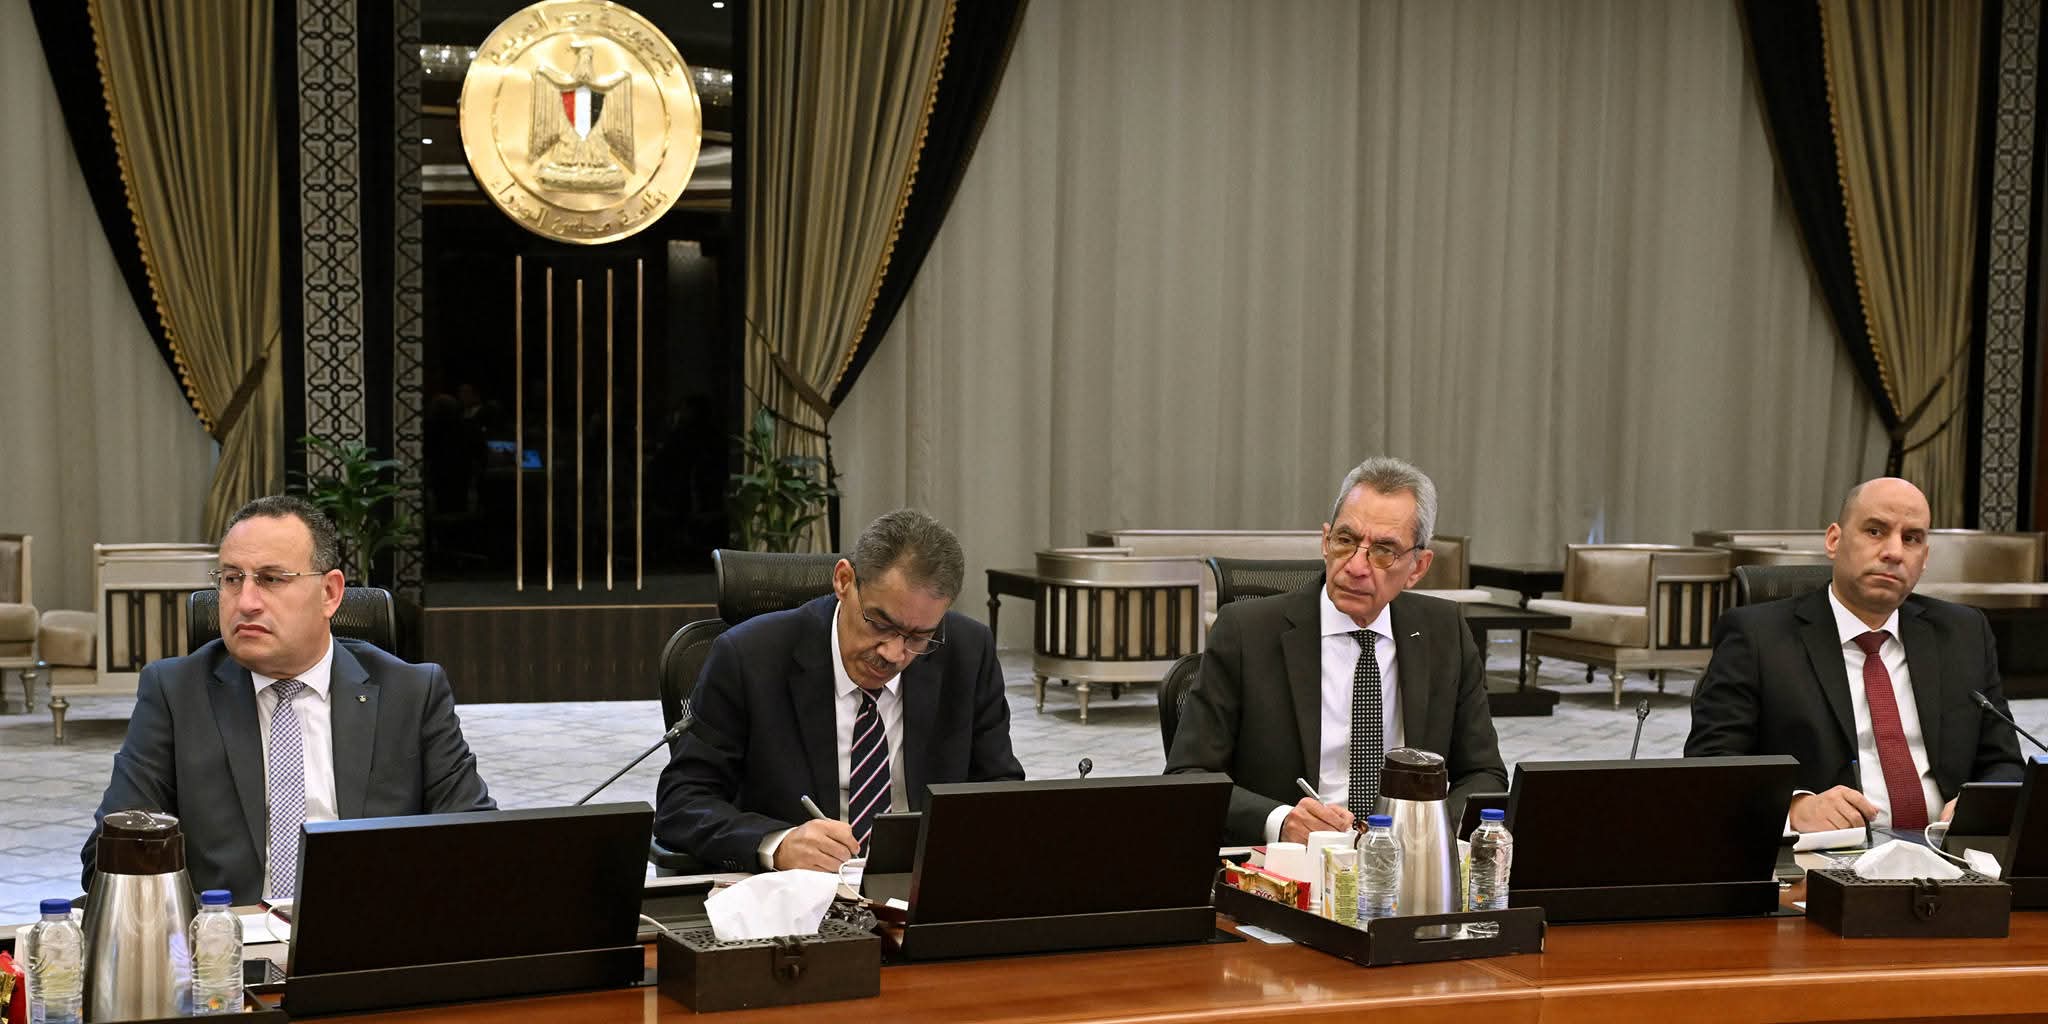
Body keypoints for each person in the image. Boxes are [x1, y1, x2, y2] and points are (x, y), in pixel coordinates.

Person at [81, 496, 495, 902]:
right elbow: (107, 860)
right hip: (226, 935)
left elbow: (479, 843)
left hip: (368, 928)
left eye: (271, 579)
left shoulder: (411, 694)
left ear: (329, 593)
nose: (246, 602)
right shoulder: (175, 694)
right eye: (232, 578)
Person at [655, 509, 1023, 872]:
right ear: (844, 581)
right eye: (880, 623)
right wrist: (777, 844)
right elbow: (682, 802)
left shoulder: (968, 652)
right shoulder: (748, 657)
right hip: (797, 889)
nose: (894, 653)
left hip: (919, 883)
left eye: (918, 637)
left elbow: (1000, 791)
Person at [1167, 457, 1507, 845]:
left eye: (1383, 551)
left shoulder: (1444, 631)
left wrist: (1427, 832)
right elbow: (1187, 777)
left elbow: (1485, 774)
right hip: (1293, 861)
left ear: (1417, 567)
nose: (1356, 567)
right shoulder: (1246, 633)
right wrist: (1281, 820)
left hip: (1407, 861)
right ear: (1325, 541)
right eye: (1346, 541)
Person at [1686, 477, 2024, 832]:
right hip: (1829, 852)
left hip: (1947, 849)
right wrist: (1794, 808)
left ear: (1924, 558)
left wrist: (1981, 802)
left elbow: (2005, 763)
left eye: (1911, 538)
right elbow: (1711, 767)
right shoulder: (1757, 637)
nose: (1894, 552)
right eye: (1875, 531)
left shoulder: (1964, 633)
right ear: (1834, 540)